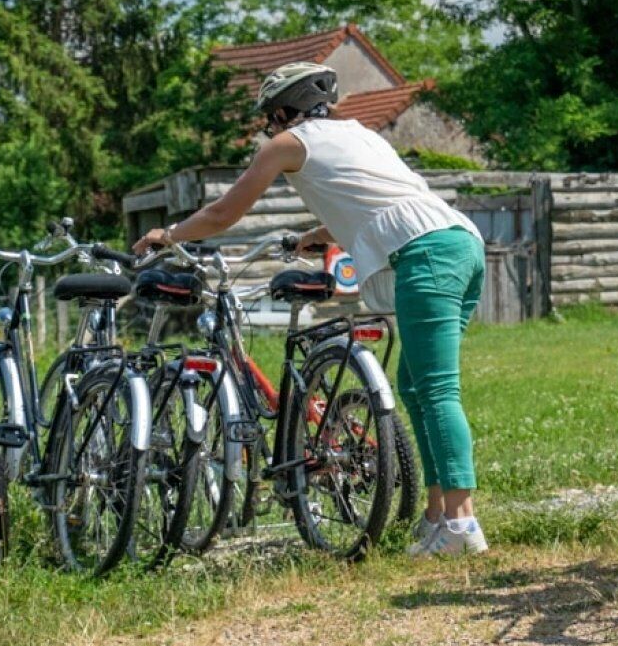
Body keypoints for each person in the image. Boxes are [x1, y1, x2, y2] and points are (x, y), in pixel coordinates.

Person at [133, 62, 490, 556]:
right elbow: (377, 201)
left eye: (270, 119)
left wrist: (167, 235)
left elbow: (224, 212)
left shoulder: (287, 144)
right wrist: (312, 237)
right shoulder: (358, 134)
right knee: (414, 385)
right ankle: (437, 517)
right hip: (460, 243)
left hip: (427, 252)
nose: (270, 129)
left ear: (284, 110)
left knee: (436, 389)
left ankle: (462, 525)